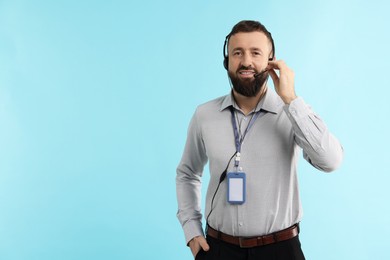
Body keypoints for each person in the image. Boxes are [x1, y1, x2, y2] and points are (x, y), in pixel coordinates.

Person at [176, 20, 343, 260]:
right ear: (227, 61)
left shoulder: (293, 113)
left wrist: (291, 99)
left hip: (281, 250)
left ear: (270, 61)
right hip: (218, 249)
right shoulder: (204, 115)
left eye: (256, 53)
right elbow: (187, 173)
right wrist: (191, 231)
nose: (246, 62)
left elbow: (331, 161)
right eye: (237, 53)